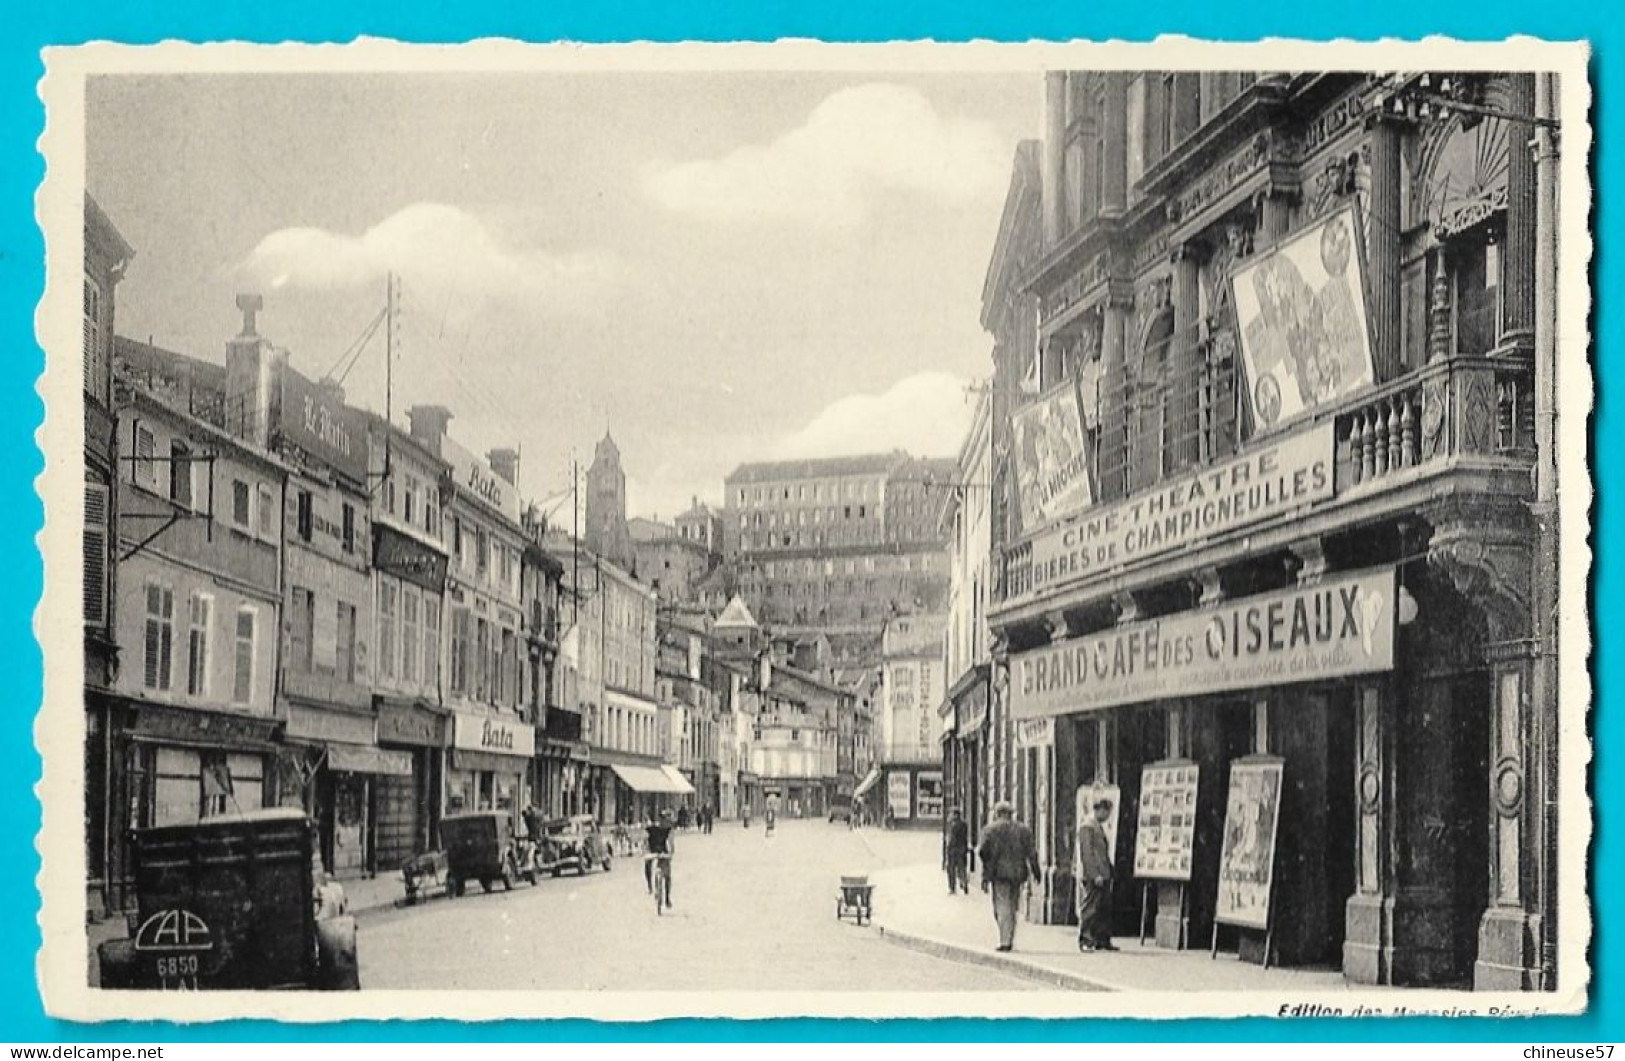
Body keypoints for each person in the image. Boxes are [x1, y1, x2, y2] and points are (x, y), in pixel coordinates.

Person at [977, 801, 1041, 953]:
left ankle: (1005, 941)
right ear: (1010, 814)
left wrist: (987, 871)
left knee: (1001, 906)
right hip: (1018, 873)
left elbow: (982, 851)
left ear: (997, 813)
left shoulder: (990, 830)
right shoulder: (1023, 830)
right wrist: (1036, 871)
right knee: (1012, 906)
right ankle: (1009, 939)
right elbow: (1032, 853)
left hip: (999, 873)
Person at [1075, 797, 1118, 952]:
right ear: (1100, 810)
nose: (1108, 817)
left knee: (1103, 908)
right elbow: (1087, 854)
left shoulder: (1097, 826)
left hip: (1103, 874)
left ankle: (1102, 939)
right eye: (1107, 813)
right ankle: (1085, 938)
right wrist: (1094, 874)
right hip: (1094, 875)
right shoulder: (1087, 826)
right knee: (1090, 907)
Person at [643, 809, 676, 909]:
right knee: (647, 864)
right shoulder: (652, 828)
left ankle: (667, 898)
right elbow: (646, 839)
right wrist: (645, 850)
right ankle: (650, 886)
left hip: (663, 851)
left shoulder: (669, 830)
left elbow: (671, 843)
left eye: (667, 819)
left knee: (667, 875)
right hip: (652, 850)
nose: (665, 821)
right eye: (664, 819)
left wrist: (671, 853)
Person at [943, 807, 971, 895]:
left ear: (955, 815)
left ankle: (952, 888)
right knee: (962, 868)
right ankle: (964, 882)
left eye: (951, 814)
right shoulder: (964, 824)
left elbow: (951, 839)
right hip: (962, 850)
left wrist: (947, 849)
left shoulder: (953, 825)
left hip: (953, 850)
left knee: (951, 869)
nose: (949, 816)